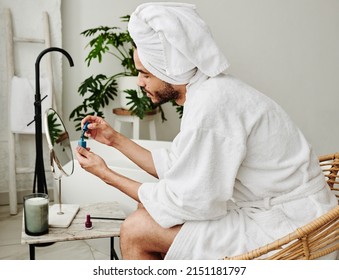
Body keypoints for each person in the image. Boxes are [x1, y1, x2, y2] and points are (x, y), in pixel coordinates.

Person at [75, 2, 337, 260]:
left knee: (135, 230)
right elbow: (177, 166)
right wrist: (115, 140)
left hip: (292, 227)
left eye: (145, 73)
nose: (139, 82)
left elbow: (192, 201)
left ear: (168, 70)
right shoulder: (209, 92)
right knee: (148, 208)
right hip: (287, 212)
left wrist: (105, 174)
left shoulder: (212, 104)